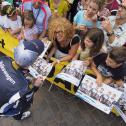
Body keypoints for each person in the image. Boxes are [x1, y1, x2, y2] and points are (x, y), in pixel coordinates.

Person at [0, 39, 44, 120]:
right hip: (3, 109)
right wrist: (35, 86)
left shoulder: (4, 59)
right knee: (19, 109)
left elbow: (10, 74)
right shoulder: (23, 87)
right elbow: (26, 101)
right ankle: (18, 117)